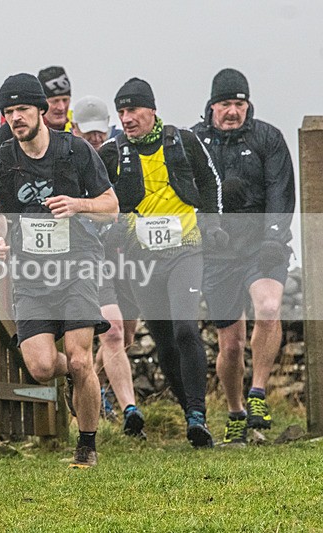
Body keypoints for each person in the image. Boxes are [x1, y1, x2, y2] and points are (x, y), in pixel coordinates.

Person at [0, 73, 118, 468]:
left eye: (22, 109)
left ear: (42, 109)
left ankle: (86, 447)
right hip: (30, 274)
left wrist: (78, 204)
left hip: (78, 264)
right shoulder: (3, 162)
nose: (15, 118)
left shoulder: (74, 151)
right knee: (41, 367)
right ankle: (79, 381)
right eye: (8, 112)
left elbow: (112, 206)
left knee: (79, 357)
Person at [98, 78, 226, 448]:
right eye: (121, 112)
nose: (127, 118)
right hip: (142, 260)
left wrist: (214, 224)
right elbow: (101, 199)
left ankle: (197, 413)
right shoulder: (112, 152)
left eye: (133, 110)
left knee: (185, 326)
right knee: (163, 339)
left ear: (151, 109)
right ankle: (191, 417)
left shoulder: (182, 141)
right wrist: (115, 231)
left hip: (186, 249)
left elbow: (211, 182)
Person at [192, 68, 295, 446]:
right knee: (230, 344)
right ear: (212, 105)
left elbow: (281, 190)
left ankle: (258, 394)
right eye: (225, 104)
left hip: (261, 247)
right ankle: (236, 412)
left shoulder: (268, 137)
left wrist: (274, 235)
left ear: (247, 105)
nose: (232, 111)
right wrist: (206, 229)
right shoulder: (195, 140)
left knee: (268, 308)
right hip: (217, 251)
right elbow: (190, 192)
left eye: (239, 103)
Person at [72, 96, 144, 437]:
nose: (96, 140)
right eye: (89, 134)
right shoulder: (70, 161)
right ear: (76, 130)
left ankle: (100, 388)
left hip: (122, 256)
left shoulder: (119, 156)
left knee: (124, 336)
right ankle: (131, 409)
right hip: (90, 257)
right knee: (113, 332)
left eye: (100, 133)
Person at [0, 66, 73, 176]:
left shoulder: (77, 125)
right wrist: (0, 186)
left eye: (65, 100)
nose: (61, 107)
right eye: (55, 101)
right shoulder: (19, 125)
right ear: (42, 104)